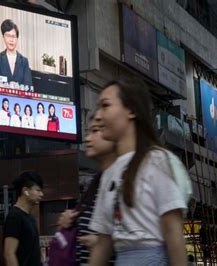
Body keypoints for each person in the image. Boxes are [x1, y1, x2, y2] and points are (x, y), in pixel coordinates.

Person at [89, 79, 188, 265]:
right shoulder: (109, 173)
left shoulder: (156, 161)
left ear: (131, 111)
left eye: (105, 106)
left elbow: (173, 230)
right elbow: (103, 242)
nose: (98, 116)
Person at [53, 117, 117, 265]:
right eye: (88, 132)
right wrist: (69, 221)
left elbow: (141, 238)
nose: (87, 139)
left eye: (95, 131)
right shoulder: (95, 182)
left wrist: (104, 244)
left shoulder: (123, 179)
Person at [4, 171, 44, 266]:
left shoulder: (30, 218)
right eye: (38, 190)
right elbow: (9, 254)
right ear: (25, 191)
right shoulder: (15, 217)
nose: (41, 194)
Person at [0, 19, 32, 89]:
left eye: (13, 36)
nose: (11, 40)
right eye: (8, 36)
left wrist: (17, 87)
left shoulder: (24, 61)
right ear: (3, 37)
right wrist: (8, 86)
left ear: (17, 38)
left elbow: (28, 85)